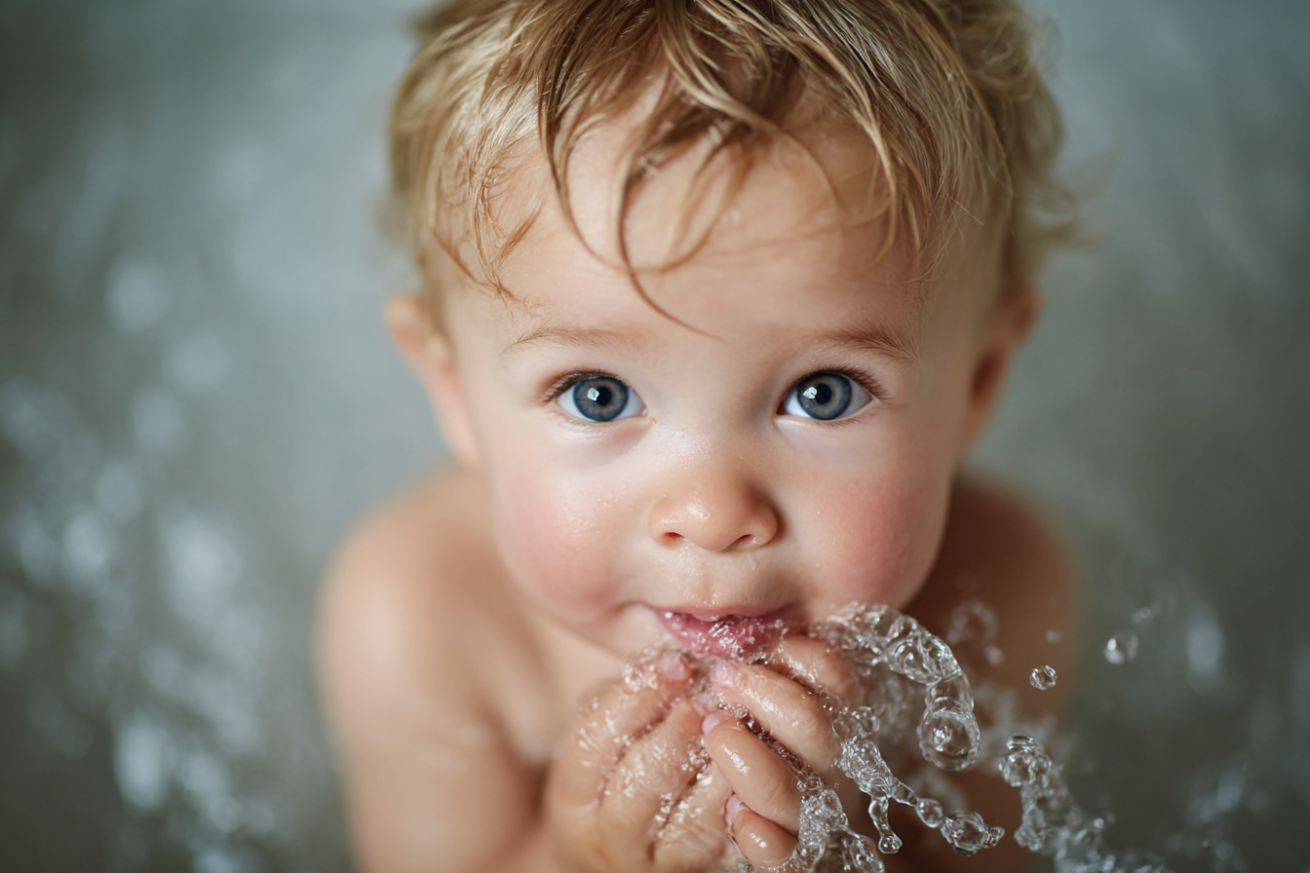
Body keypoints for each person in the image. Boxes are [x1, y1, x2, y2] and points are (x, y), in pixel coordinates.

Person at [318, 1, 1078, 870]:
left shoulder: (999, 587)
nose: (713, 514)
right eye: (599, 396)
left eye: (823, 394)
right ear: (452, 387)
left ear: (978, 381)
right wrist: (573, 860)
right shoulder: (421, 615)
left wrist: (844, 851)